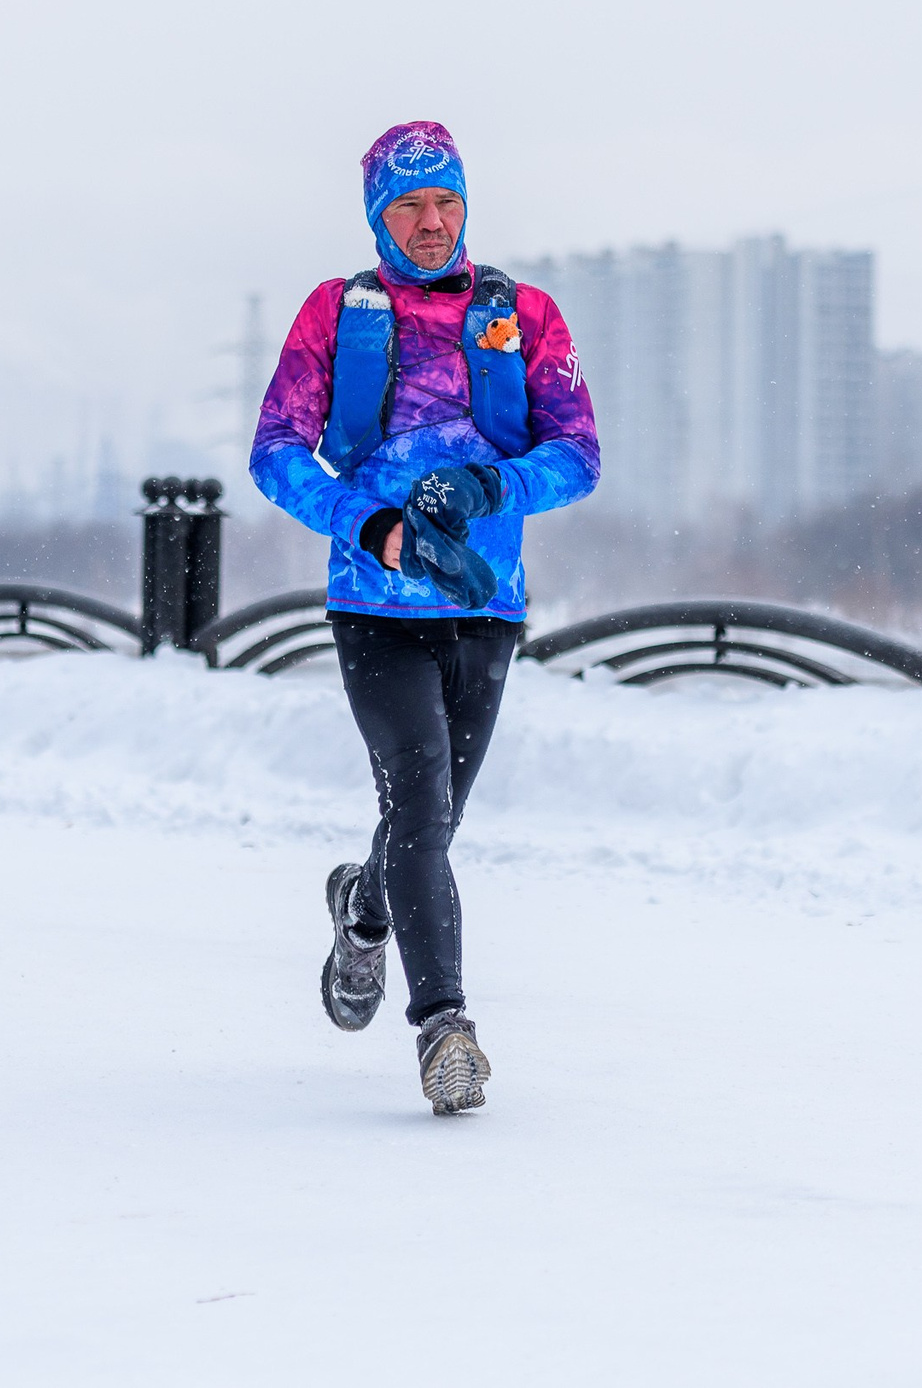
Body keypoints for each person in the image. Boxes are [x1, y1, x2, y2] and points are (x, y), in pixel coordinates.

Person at [249, 121, 600, 1115]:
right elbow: (277, 450)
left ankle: (361, 912)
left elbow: (577, 454)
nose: (433, 221)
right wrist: (375, 526)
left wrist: (489, 485)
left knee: (431, 820)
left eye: (445, 201)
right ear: (377, 217)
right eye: (410, 206)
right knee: (416, 802)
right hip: (372, 600)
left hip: (486, 603)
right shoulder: (334, 312)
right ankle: (443, 1027)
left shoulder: (524, 313)